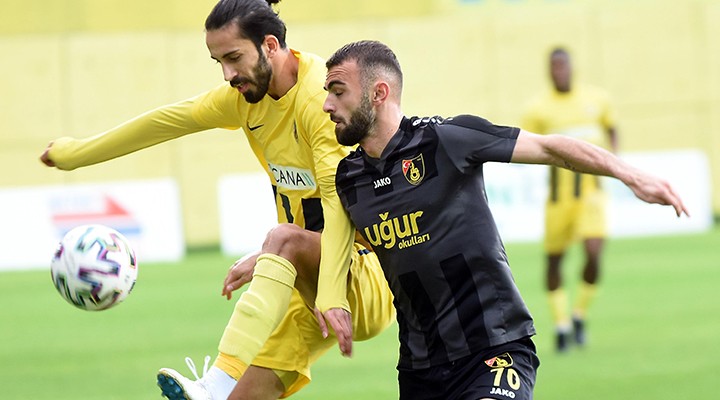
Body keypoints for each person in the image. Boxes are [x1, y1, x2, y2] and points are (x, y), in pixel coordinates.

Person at [39, 1, 395, 399]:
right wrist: (76, 154)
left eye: (234, 58)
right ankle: (218, 387)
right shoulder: (246, 100)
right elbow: (166, 122)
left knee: (283, 237)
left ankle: (215, 381)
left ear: (270, 45)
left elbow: (336, 205)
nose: (228, 75)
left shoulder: (316, 101)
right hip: (312, 280)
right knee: (240, 395)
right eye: (218, 62)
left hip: (365, 275)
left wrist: (322, 288)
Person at [321, 40, 688, 400]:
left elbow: (549, 147)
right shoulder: (348, 178)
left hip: (494, 348)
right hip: (419, 368)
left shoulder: (446, 140)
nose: (327, 105)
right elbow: (338, 245)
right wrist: (332, 296)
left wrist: (630, 175)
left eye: (338, 92)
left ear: (379, 93)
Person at [522, 47, 618, 352]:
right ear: (548, 71)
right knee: (554, 261)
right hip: (558, 199)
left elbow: (611, 128)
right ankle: (562, 324)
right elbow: (525, 144)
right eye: (554, 66)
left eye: (563, 65)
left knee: (594, 253)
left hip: (591, 195)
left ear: (572, 68)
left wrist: (614, 162)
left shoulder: (597, 99)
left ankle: (580, 314)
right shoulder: (538, 109)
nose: (559, 71)